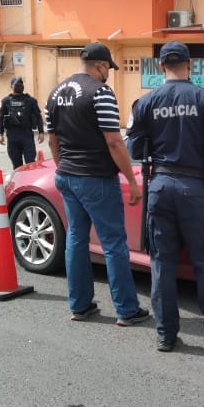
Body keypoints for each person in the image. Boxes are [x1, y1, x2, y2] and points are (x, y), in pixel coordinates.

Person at [127, 41, 204, 354]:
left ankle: (166, 336)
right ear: (191, 65)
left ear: (161, 66)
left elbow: (134, 148)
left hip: (160, 187)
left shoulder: (145, 103)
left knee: (162, 264)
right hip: (195, 191)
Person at [44, 42, 150, 327]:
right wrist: (132, 180)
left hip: (67, 175)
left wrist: (63, 167)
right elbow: (114, 141)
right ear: (101, 65)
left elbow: (52, 140)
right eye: (108, 69)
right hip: (96, 178)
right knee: (113, 243)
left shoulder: (55, 93)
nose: (108, 74)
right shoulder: (100, 92)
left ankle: (79, 306)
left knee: (76, 239)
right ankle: (126, 310)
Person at [0, 76, 45, 169]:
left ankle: (30, 178)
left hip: (26, 134)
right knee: (16, 165)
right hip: (12, 135)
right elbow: (1, 117)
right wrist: (0, 134)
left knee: (30, 163)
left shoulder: (31, 101)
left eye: (21, 84)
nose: (19, 86)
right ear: (11, 86)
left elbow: (38, 116)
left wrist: (41, 132)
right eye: (17, 84)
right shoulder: (6, 101)